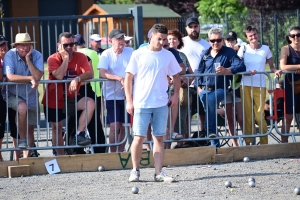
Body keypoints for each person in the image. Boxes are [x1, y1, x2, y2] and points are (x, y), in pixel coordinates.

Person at [125, 23, 181, 182]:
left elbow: (177, 75)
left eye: (164, 39)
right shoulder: (138, 54)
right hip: (141, 103)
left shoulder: (168, 55)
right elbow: (129, 77)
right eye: (159, 39)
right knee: (138, 138)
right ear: (151, 37)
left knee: (159, 138)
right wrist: (129, 101)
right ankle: (135, 170)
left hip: (161, 103)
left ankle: (158, 172)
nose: (162, 42)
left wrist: (175, 95)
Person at [42, 32, 95, 156]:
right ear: (59, 45)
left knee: (90, 103)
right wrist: (65, 58)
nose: (70, 48)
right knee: (57, 127)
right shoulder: (53, 58)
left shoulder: (80, 57)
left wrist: (77, 79)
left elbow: (89, 74)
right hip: (53, 99)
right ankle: (60, 156)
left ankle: (79, 134)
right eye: (66, 45)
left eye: (72, 44)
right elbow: (59, 76)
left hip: (71, 98)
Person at [196, 28, 246, 148]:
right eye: (213, 40)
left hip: (221, 88)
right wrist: (199, 88)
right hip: (204, 91)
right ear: (209, 40)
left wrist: (227, 70)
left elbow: (241, 66)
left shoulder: (229, 52)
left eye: (218, 40)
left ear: (222, 40)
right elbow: (199, 71)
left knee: (211, 100)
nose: (215, 43)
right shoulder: (205, 53)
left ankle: (210, 129)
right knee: (209, 103)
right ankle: (215, 143)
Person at [237, 25, 281, 145]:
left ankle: (264, 143)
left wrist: (276, 71)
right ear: (246, 37)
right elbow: (238, 66)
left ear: (258, 34)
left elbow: (271, 66)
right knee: (248, 116)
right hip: (245, 85)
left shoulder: (265, 48)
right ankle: (248, 142)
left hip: (260, 86)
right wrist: (246, 73)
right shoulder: (243, 48)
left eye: (255, 34)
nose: (253, 37)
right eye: (250, 35)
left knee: (259, 115)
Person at [2, 33, 44, 158]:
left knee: (30, 128)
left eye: (27, 45)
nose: (25, 48)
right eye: (22, 45)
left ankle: (27, 158)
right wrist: (30, 78)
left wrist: (28, 59)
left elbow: (38, 76)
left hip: (31, 95)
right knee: (22, 107)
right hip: (12, 94)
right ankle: (23, 140)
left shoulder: (37, 55)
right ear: (16, 46)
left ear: (31, 45)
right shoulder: (10, 55)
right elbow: (9, 77)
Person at [98, 29, 133, 153]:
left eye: (122, 38)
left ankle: (121, 151)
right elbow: (102, 73)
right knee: (114, 126)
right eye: (118, 39)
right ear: (111, 41)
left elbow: (137, 70)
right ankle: (112, 153)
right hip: (111, 96)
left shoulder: (131, 52)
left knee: (124, 126)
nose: (121, 41)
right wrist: (119, 78)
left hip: (127, 96)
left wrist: (128, 82)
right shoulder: (106, 54)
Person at [73, 34, 106, 154]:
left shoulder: (87, 55)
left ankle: (77, 150)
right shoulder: (92, 53)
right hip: (94, 90)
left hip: (87, 90)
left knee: (77, 122)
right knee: (95, 123)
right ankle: (100, 150)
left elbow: (89, 73)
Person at [180, 17, 210, 133]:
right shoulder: (181, 42)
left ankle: (203, 136)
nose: (193, 29)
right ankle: (186, 138)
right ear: (186, 29)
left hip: (202, 84)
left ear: (199, 27)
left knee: (203, 112)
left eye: (195, 26)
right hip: (186, 84)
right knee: (187, 114)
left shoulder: (207, 45)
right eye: (190, 27)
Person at [167, 29, 194, 145]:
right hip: (168, 90)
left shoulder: (182, 55)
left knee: (181, 118)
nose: (171, 41)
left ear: (179, 41)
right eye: (169, 39)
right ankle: (166, 146)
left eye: (174, 39)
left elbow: (191, 72)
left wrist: (186, 81)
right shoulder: (164, 53)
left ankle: (180, 145)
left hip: (181, 90)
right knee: (167, 119)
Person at [221, 31, 244, 147]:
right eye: (228, 40)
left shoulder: (239, 52)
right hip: (226, 86)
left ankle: (246, 141)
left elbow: (242, 66)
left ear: (236, 41)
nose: (230, 42)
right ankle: (234, 143)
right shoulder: (223, 53)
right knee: (230, 117)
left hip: (237, 86)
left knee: (240, 117)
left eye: (232, 40)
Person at [279, 25, 300, 143]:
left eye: (298, 35)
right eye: (293, 35)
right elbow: (283, 66)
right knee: (288, 116)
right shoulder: (286, 49)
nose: (296, 37)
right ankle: (284, 145)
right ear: (289, 37)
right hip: (290, 84)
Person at [0, 35, 18, 161]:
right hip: (1, 95)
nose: (3, 47)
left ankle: (18, 156)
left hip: (12, 93)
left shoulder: (12, 57)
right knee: (0, 126)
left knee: (15, 124)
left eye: (4, 44)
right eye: (0, 45)